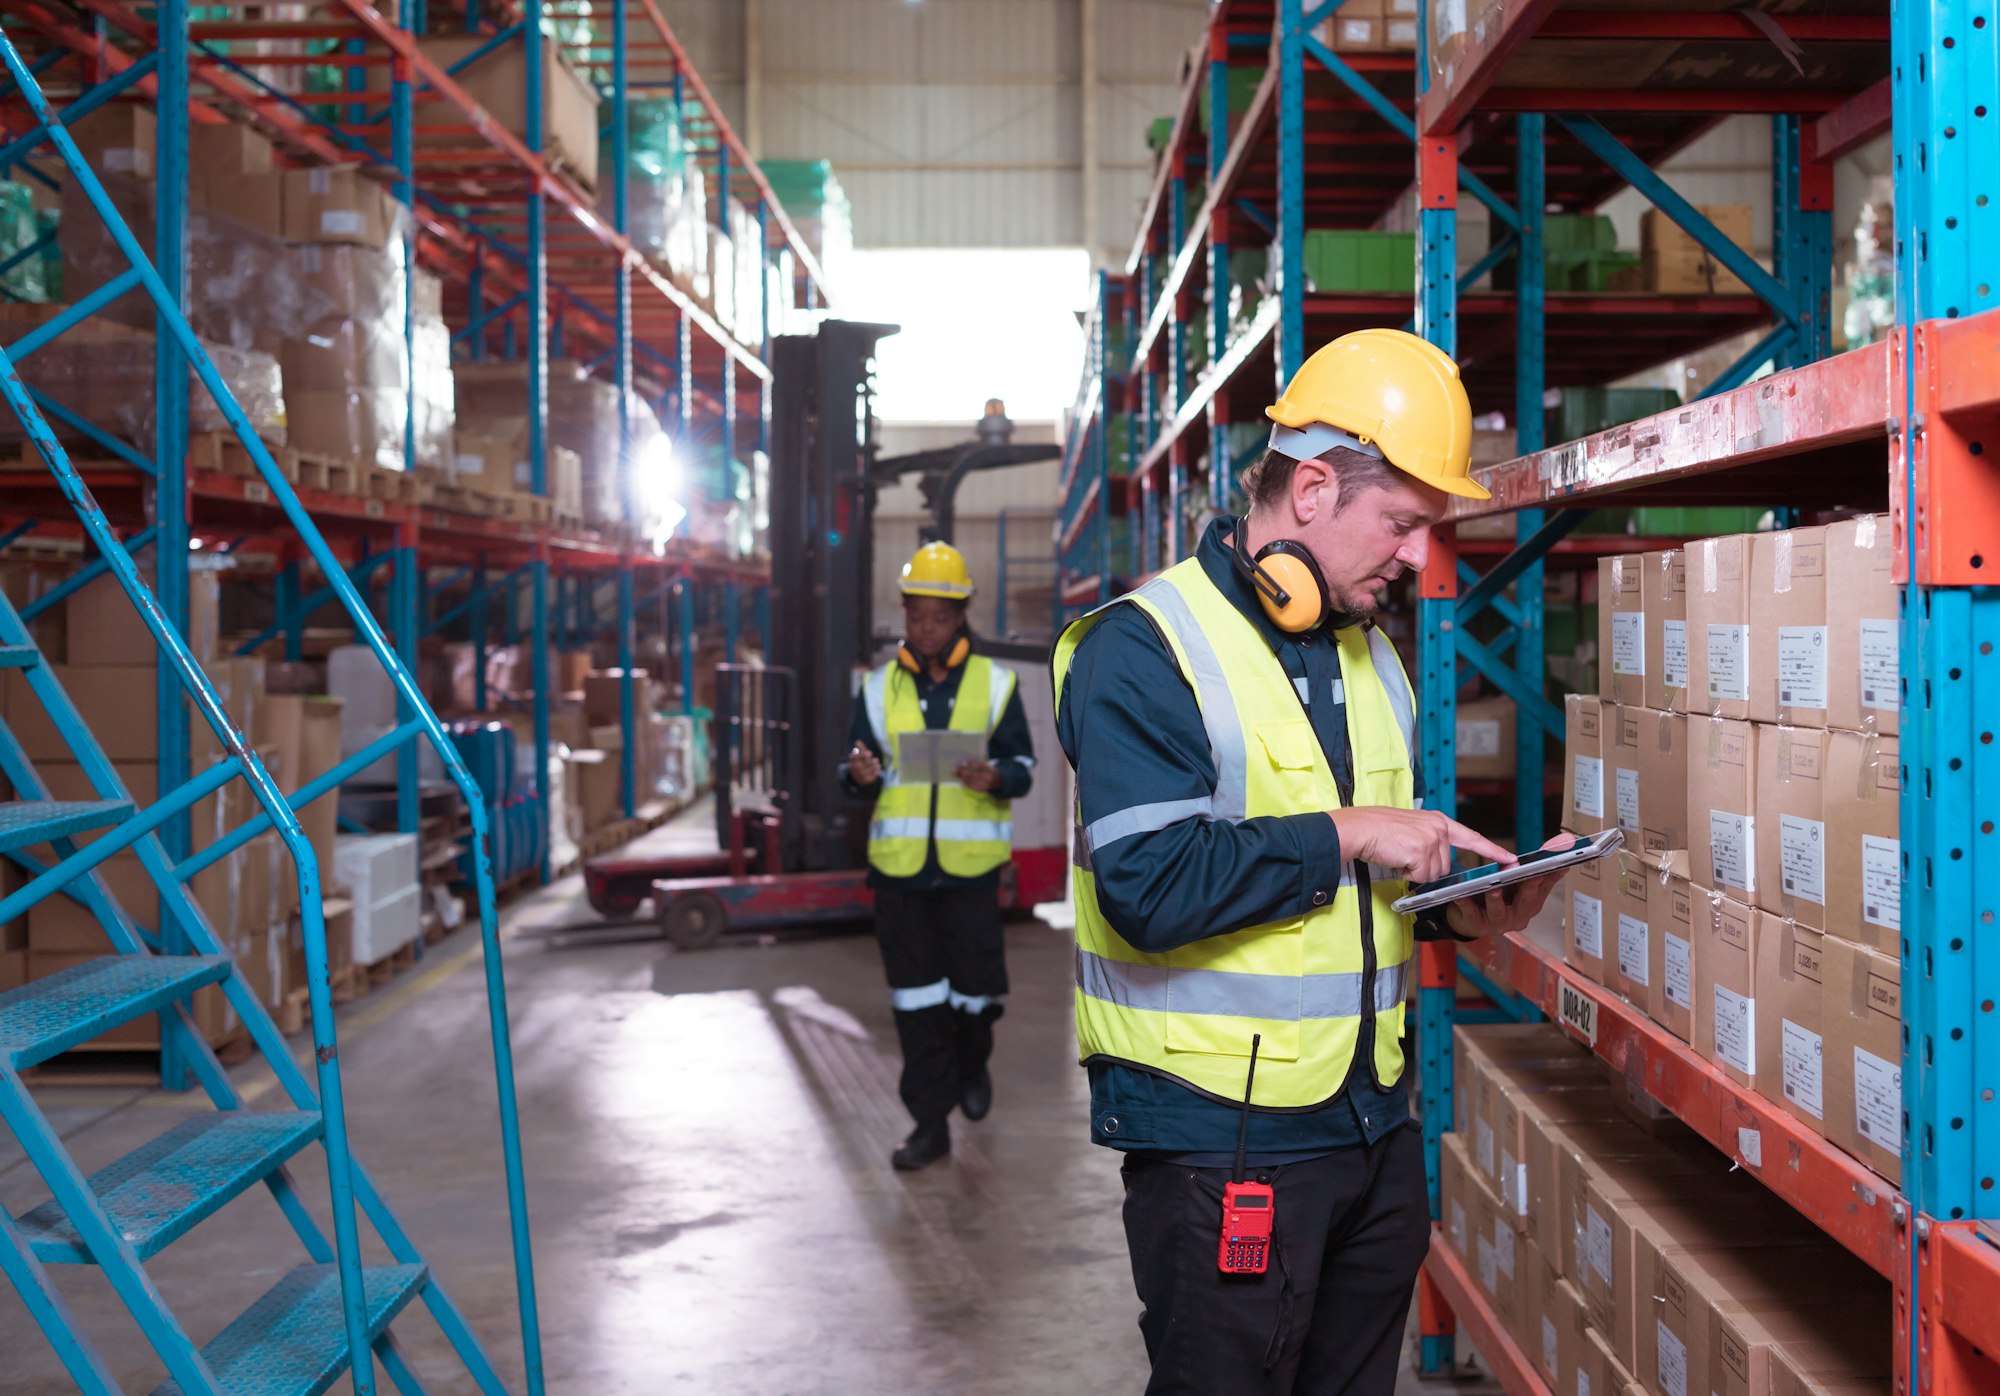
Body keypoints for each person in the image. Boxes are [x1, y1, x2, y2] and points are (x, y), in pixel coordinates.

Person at [1052, 328, 1573, 1394]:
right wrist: (1347, 830)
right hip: (1219, 1135)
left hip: (1368, 1121)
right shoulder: (1141, 647)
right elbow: (1147, 887)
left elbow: (1352, 893)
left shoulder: (1365, 649)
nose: (1417, 557)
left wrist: (1468, 908)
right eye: (1400, 523)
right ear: (1311, 488)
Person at [845, 541, 1036, 1171]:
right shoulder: (875, 690)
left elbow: (1024, 766)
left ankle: (972, 1061)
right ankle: (929, 1125)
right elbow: (858, 771)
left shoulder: (996, 684)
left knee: (976, 995)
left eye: (939, 616)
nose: (926, 628)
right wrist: (862, 774)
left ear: (960, 617)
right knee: (915, 1001)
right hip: (900, 872)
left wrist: (995, 777)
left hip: (970, 875)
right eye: (916, 615)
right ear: (904, 615)